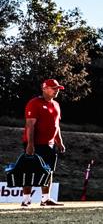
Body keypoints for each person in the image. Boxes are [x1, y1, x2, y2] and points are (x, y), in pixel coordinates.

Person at [20, 78, 66, 208]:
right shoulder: (34, 103)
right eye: (53, 88)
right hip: (35, 144)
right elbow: (30, 125)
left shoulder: (56, 104)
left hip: (49, 145)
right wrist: (30, 144)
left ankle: (46, 199)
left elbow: (56, 125)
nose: (56, 91)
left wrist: (59, 142)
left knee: (48, 171)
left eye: (57, 89)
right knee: (29, 171)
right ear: (44, 88)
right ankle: (26, 200)